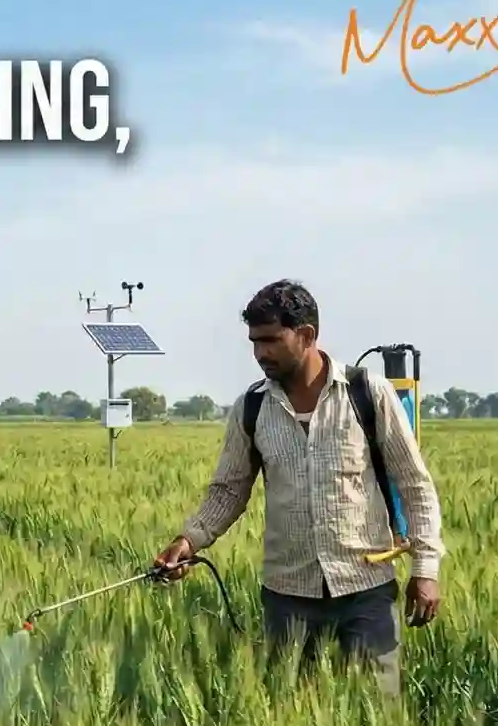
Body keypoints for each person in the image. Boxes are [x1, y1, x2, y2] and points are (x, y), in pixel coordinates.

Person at [155, 280, 443, 696]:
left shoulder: (368, 393)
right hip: (287, 597)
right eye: (254, 342)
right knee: (292, 714)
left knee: (376, 717)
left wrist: (426, 569)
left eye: (270, 340)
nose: (259, 353)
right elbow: (228, 490)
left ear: (306, 335)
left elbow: (415, 485)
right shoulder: (252, 408)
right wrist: (188, 541)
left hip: (364, 592)